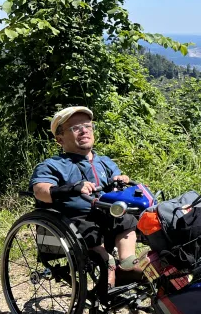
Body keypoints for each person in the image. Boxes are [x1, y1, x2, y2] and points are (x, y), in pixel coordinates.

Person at [30, 106, 144, 288]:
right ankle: (108, 267)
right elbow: (40, 190)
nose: (84, 130)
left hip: (107, 212)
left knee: (127, 220)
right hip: (74, 218)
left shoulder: (105, 162)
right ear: (60, 139)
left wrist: (120, 181)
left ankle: (127, 263)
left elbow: (117, 187)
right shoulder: (52, 165)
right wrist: (73, 188)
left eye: (87, 126)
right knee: (88, 229)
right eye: (75, 128)